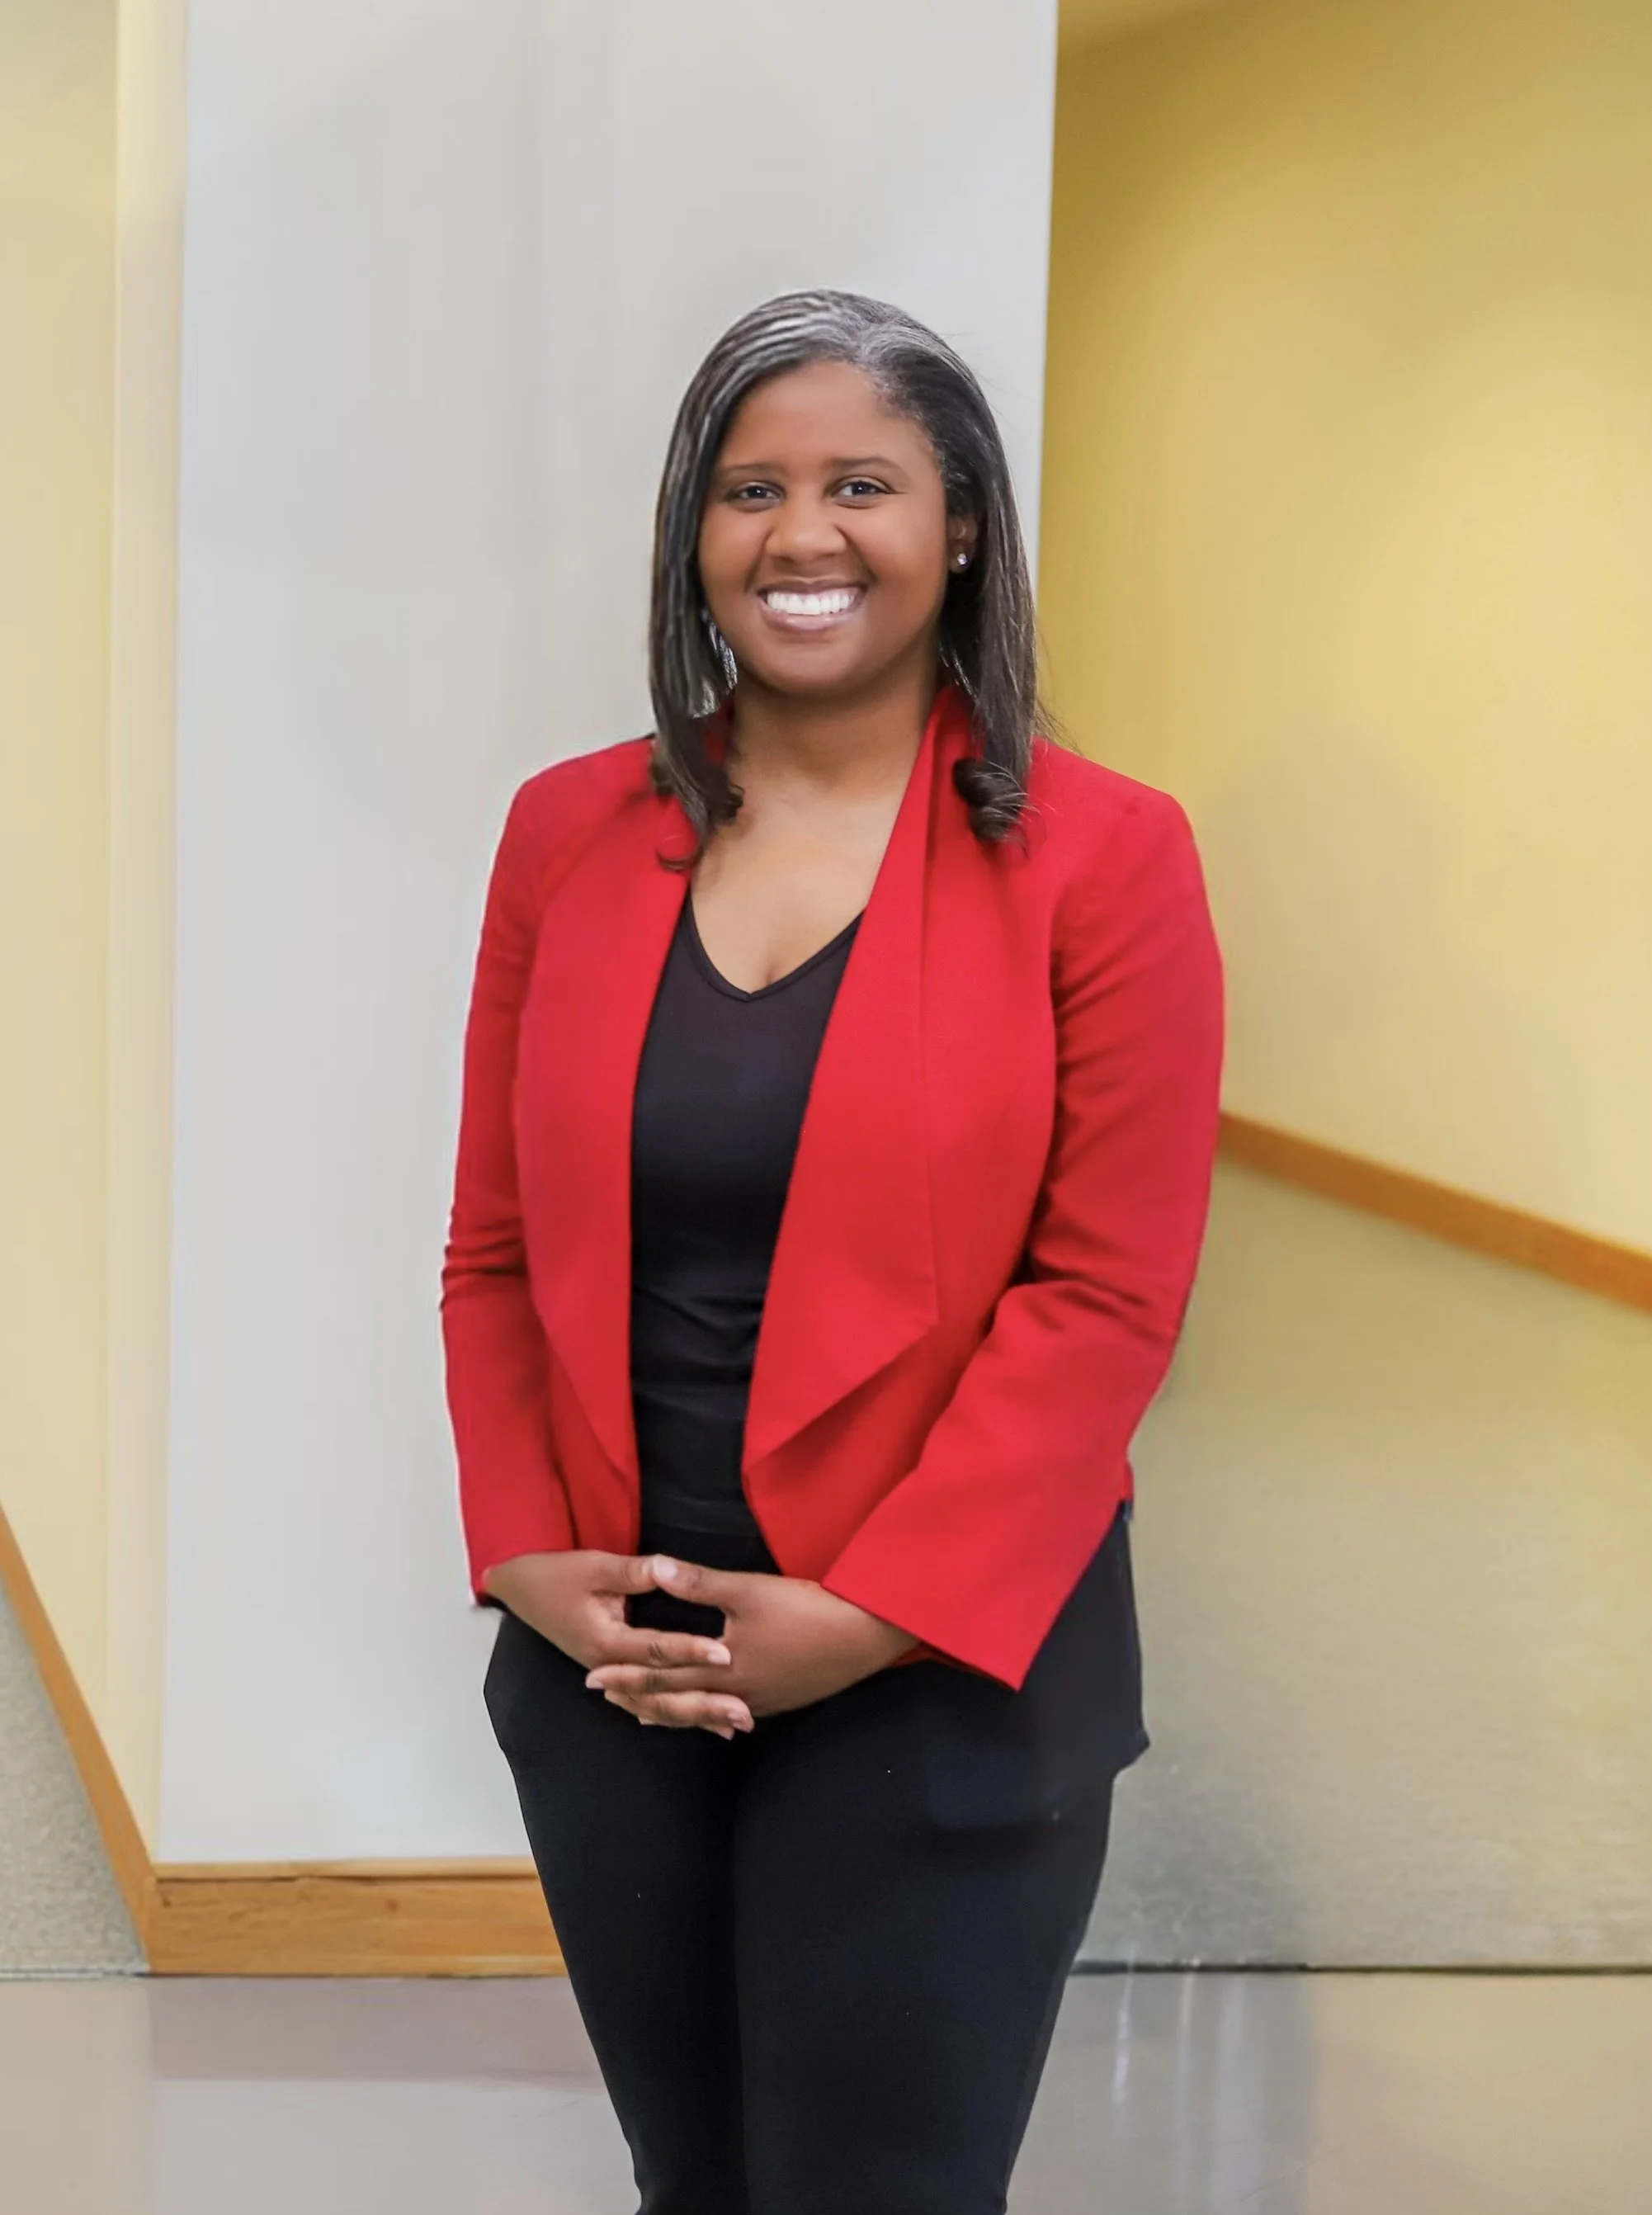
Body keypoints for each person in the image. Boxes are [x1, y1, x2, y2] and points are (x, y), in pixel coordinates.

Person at [441, 289, 1224, 2215]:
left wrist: (862, 1620)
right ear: (692, 539)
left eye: (860, 483)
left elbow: (1104, 1300)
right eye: (749, 489)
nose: (801, 535)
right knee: (692, 2180)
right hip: (619, 1667)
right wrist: (530, 1556)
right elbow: (492, 1247)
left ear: (958, 524)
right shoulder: (566, 831)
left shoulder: (1103, 855)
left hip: (941, 1672)